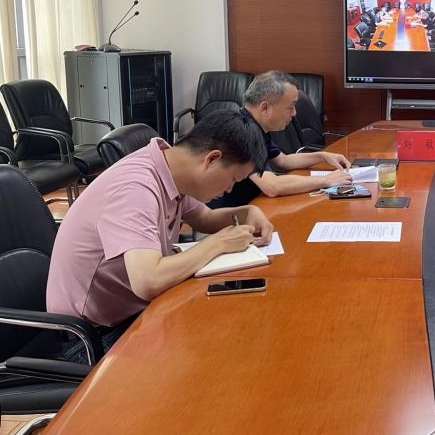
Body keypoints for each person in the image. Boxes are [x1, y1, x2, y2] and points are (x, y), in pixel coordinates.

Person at [46, 110, 274, 356]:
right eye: (233, 180)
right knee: (219, 351)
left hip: (131, 312)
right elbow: (148, 281)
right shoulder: (136, 188)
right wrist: (218, 243)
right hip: (89, 338)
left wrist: (247, 212)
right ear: (211, 159)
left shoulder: (170, 168)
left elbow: (205, 218)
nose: (229, 189)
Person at [209, 70, 352, 208]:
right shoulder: (242, 132)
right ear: (265, 108)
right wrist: (326, 180)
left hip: (251, 205)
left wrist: (322, 156)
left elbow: (283, 160)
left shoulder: (253, 124)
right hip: (228, 215)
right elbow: (272, 187)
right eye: (291, 107)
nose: (294, 113)